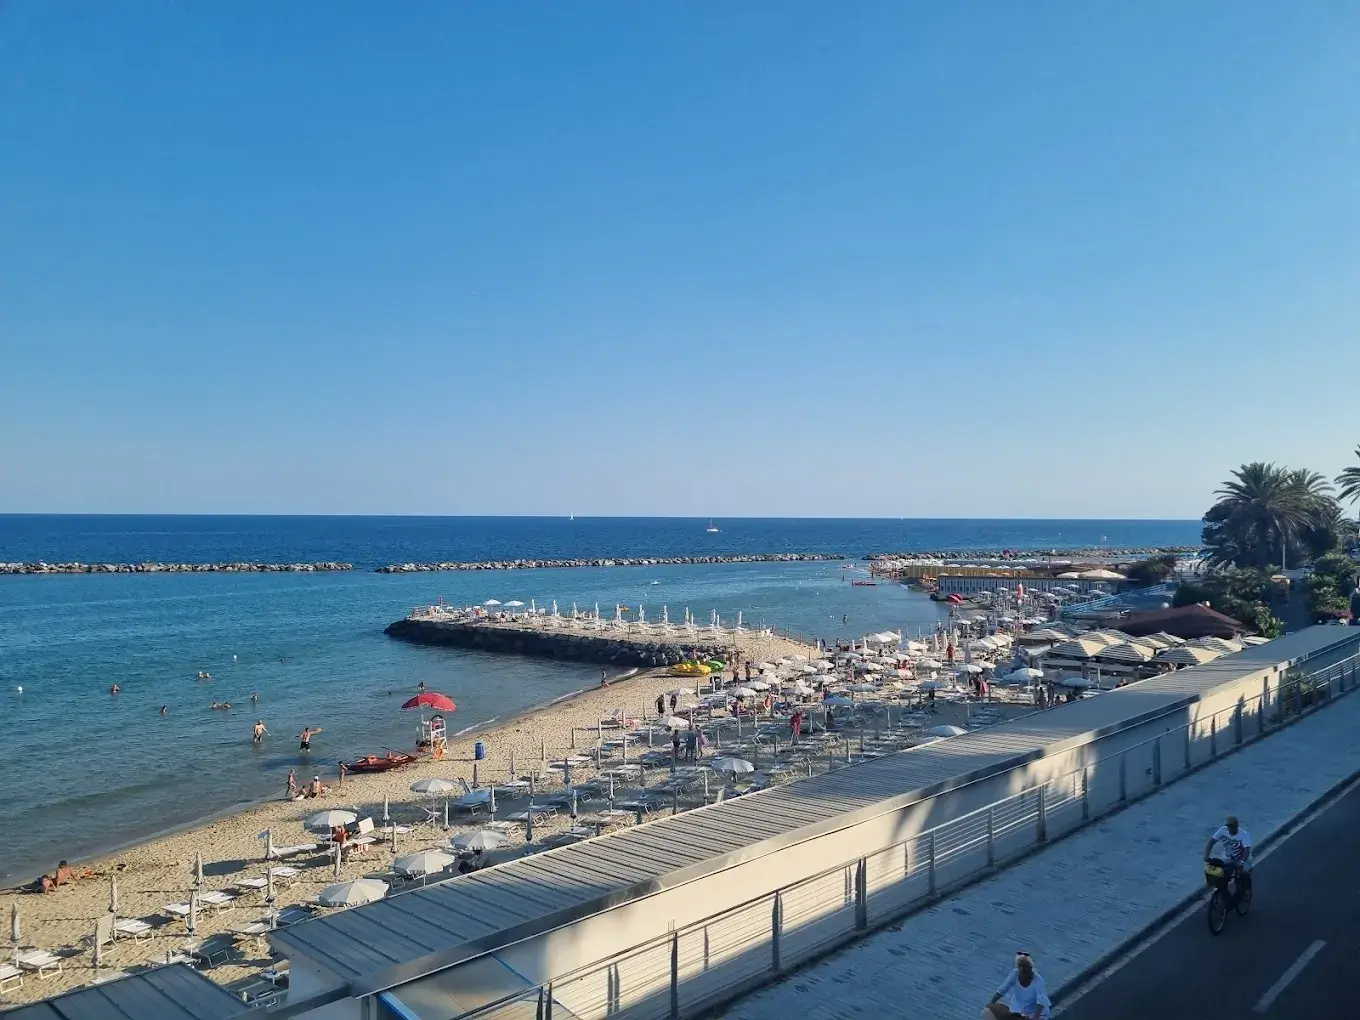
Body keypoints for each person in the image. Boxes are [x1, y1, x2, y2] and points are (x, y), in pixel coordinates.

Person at [983, 952, 1051, 1019]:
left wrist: (1035, 1017)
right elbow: (1002, 990)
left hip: (1036, 1014)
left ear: (1030, 967)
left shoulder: (1038, 980)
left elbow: (1041, 1002)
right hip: (1017, 1011)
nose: (1021, 969)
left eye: (1024, 967)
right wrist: (991, 1004)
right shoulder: (1015, 973)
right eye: (1020, 966)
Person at [1204, 814, 1253, 887]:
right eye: (1228, 826)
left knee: (1244, 875)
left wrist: (1241, 861)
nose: (1229, 828)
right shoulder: (1223, 830)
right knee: (1214, 871)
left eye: (1231, 826)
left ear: (1236, 826)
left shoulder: (1243, 835)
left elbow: (1247, 850)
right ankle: (1218, 886)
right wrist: (1206, 855)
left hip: (1242, 858)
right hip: (1229, 857)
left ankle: (1246, 890)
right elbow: (1211, 842)